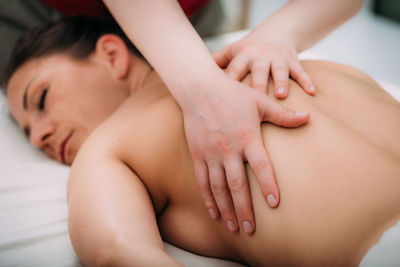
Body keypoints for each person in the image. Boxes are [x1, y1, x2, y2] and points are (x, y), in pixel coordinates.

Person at [3, 17, 399, 266]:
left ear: (110, 54)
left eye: (40, 99)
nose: (39, 135)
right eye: (28, 134)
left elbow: (117, 254)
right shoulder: (305, 67)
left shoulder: (108, 147)